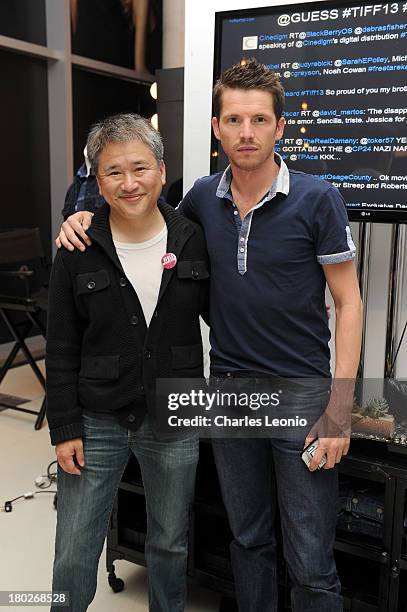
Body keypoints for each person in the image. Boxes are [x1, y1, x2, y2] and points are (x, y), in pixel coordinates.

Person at [56, 60, 363, 611]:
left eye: (260, 120)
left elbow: (349, 303)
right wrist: (80, 217)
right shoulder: (199, 200)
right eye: (235, 119)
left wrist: (339, 408)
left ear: (279, 127)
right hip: (226, 393)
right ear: (217, 128)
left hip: (301, 395)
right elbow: (137, 213)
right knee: (247, 541)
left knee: (312, 558)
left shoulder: (319, 199)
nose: (247, 132)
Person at [47, 113, 209, 612]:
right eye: (113, 172)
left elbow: (228, 312)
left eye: (139, 168)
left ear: (161, 171)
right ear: (97, 182)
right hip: (96, 419)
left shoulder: (194, 237)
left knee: (168, 543)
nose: (129, 182)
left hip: (174, 417)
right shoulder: (78, 246)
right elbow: (60, 345)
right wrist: (64, 426)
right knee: (74, 550)